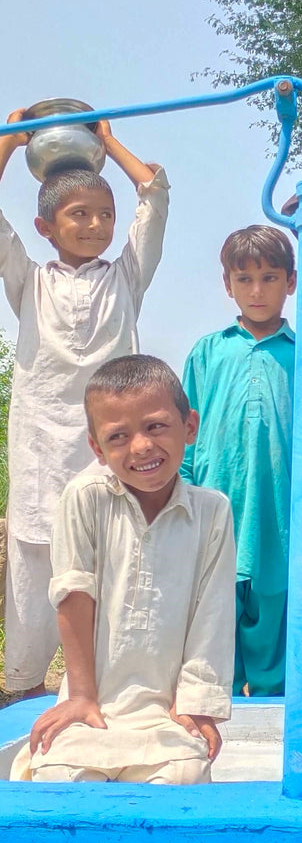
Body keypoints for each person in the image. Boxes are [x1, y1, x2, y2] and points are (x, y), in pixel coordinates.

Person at [0, 111, 169, 699]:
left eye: (104, 215)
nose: (96, 225)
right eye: (79, 215)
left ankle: (108, 687)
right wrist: (8, 139)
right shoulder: (30, 280)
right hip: (41, 443)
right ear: (46, 227)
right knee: (34, 560)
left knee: (115, 556)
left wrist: (107, 141)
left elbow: (154, 194)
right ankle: (21, 685)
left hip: (111, 448)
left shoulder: (125, 277)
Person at [11, 355, 234, 783]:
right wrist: (80, 697)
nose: (142, 446)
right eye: (118, 436)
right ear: (97, 448)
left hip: (165, 713)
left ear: (189, 426)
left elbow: (214, 611)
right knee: (60, 781)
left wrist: (196, 704)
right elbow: (73, 594)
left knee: (183, 778)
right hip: (95, 705)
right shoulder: (85, 497)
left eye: (155, 426)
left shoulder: (212, 511)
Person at [181, 225, 296, 696]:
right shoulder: (209, 351)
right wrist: (183, 495)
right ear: (227, 284)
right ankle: (218, 713)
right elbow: (184, 434)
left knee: (275, 603)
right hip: (217, 505)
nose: (257, 290)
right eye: (245, 279)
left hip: (280, 511)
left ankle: (275, 713)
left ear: (291, 282)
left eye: (270, 278)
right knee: (214, 607)